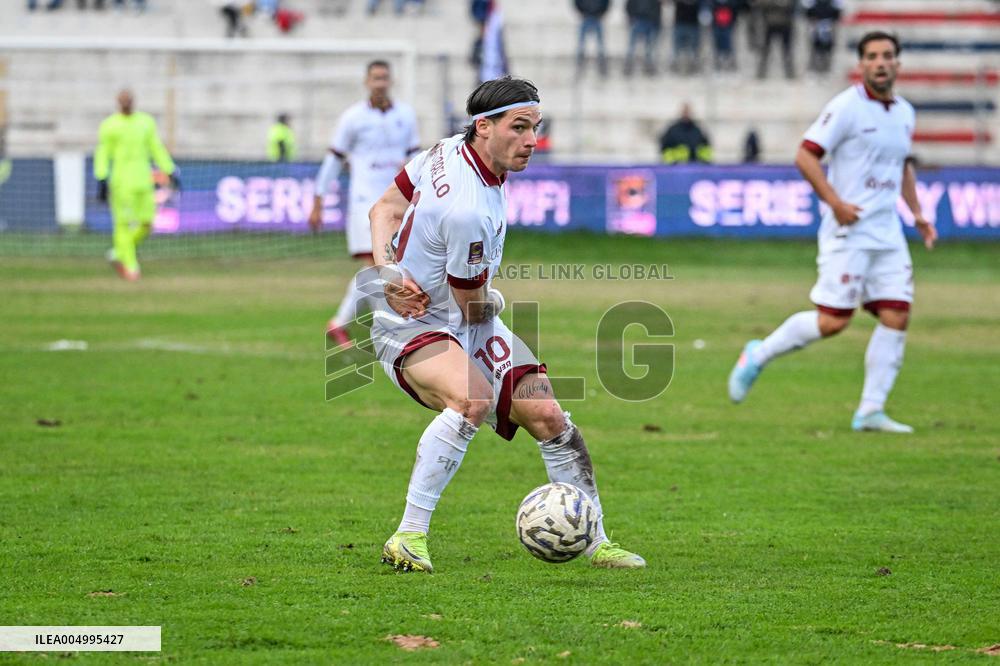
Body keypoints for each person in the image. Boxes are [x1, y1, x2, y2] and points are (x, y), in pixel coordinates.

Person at [367, 76, 646, 573]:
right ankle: (407, 536)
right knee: (471, 399)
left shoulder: (448, 150)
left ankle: (594, 540)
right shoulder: (468, 209)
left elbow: (385, 207)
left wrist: (388, 270)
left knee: (550, 418)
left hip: (457, 317)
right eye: (519, 127)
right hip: (411, 324)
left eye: (536, 127)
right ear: (484, 127)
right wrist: (484, 297)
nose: (532, 141)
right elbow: (471, 303)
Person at [728, 32, 938, 433]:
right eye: (872, 56)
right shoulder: (846, 107)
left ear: (898, 64)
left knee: (896, 315)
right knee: (832, 322)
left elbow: (902, 166)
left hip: (888, 234)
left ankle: (870, 411)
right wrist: (835, 203)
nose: (880, 62)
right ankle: (758, 354)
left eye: (888, 55)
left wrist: (917, 213)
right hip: (850, 231)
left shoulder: (905, 112)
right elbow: (805, 155)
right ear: (861, 65)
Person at [309, 60, 420, 346]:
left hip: (396, 202)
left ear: (391, 81)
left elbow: (416, 158)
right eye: (375, 78)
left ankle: (341, 323)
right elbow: (334, 159)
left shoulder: (406, 115)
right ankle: (387, 328)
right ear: (366, 81)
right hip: (364, 202)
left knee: (383, 267)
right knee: (377, 264)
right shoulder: (353, 118)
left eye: (384, 77)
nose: (380, 83)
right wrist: (319, 199)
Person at [94, 89, 178, 281]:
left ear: (133, 102)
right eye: (122, 100)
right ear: (118, 103)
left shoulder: (145, 122)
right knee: (122, 224)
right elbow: (103, 152)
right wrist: (101, 177)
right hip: (121, 183)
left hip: (143, 181)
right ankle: (132, 267)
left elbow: (156, 147)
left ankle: (118, 253)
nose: (126, 103)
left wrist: (169, 169)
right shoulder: (109, 125)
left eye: (128, 100)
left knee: (147, 223)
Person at [754, 0, 796, 79]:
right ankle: (761, 72)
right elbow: (760, 4)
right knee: (765, 51)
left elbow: (790, 4)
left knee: (787, 50)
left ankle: (790, 72)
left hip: (785, 24)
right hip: (770, 24)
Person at [803, 0, 843, 75]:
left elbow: (838, 10)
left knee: (828, 47)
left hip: (829, 23)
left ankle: (827, 68)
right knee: (815, 46)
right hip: (816, 22)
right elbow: (808, 10)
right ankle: (815, 68)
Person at [624, 0, 662, 77]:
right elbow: (629, 6)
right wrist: (631, 17)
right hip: (639, 20)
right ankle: (629, 65)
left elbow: (657, 8)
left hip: (649, 21)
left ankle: (647, 65)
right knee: (635, 46)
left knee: (648, 46)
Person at [575, 0, 611, 77]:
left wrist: (601, 14)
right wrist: (582, 13)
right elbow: (577, 3)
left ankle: (602, 63)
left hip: (597, 17)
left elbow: (606, 3)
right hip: (586, 17)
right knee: (581, 43)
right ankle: (579, 62)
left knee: (600, 43)